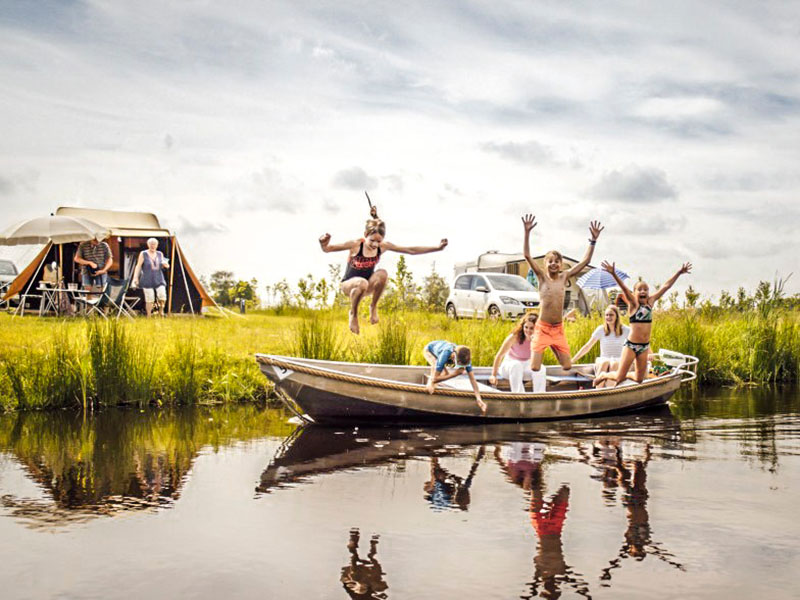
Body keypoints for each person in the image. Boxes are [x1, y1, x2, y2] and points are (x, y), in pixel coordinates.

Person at [319, 205, 447, 334]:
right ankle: (353, 314)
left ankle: (373, 306)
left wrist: (437, 248)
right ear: (365, 235)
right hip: (349, 285)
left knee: (383, 274)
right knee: (361, 282)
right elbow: (328, 249)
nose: (375, 244)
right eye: (372, 240)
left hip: (367, 285)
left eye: (378, 241)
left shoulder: (383, 246)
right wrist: (323, 243)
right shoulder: (356, 244)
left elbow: (411, 250)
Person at [522, 213, 604, 374]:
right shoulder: (542, 278)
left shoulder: (564, 276)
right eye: (550, 261)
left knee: (567, 366)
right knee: (534, 367)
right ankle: (541, 343)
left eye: (556, 261)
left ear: (561, 265)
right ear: (545, 264)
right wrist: (527, 232)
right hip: (543, 328)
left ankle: (553, 345)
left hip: (558, 328)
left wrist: (593, 241)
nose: (553, 264)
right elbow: (526, 255)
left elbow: (585, 262)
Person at [594, 261, 692, 387]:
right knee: (618, 377)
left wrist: (679, 272)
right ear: (634, 293)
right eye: (639, 289)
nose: (643, 291)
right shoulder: (633, 305)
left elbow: (666, 286)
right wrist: (613, 273)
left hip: (644, 347)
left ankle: (624, 375)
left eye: (645, 289)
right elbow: (624, 288)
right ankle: (603, 375)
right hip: (631, 346)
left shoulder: (650, 303)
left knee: (639, 378)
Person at [570, 305, 630, 388]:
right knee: (605, 363)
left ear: (617, 316)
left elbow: (639, 342)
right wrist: (573, 360)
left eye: (611, 315)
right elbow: (587, 346)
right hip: (603, 359)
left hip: (618, 360)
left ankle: (609, 392)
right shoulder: (601, 329)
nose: (608, 317)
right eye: (607, 315)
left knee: (614, 364)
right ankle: (598, 391)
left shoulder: (626, 330)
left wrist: (648, 356)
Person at [489, 312, 546, 393]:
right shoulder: (514, 337)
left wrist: (535, 343)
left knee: (541, 368)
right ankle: (519, 395)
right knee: (516, 365)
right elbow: (499, 355)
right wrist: (493, 375)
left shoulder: (539, 340)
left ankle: (540, 396)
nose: (528, 330)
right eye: (526, 327)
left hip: (525, 366)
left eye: (531, 328)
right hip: (509, 366)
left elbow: (537, 361)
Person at [423, 340, 486, 413]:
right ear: (454, 357)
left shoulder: (466, 358)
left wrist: (479, 398)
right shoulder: (445, 355)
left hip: (442, 353)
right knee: (435, 369)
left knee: (443, 374)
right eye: (460, 365)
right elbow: (434, 379)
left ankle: (439, 378)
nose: (461, 367)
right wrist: (454, 374)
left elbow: (473, 380)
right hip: (429, 350)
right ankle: (429, 383)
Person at [132, 238, 170, 317]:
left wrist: (166, 265)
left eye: (154, 244)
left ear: (157, 245)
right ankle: (149, 315)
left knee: (162, 295)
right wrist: (135, 278)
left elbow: (165, 264)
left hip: (159, 278)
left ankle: (161, 312)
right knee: (149, 298)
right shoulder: (143, 253)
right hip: (147, 278)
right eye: (151, 244)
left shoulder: (160, 254)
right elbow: (138, 266)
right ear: (148, 245)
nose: (153, 246)